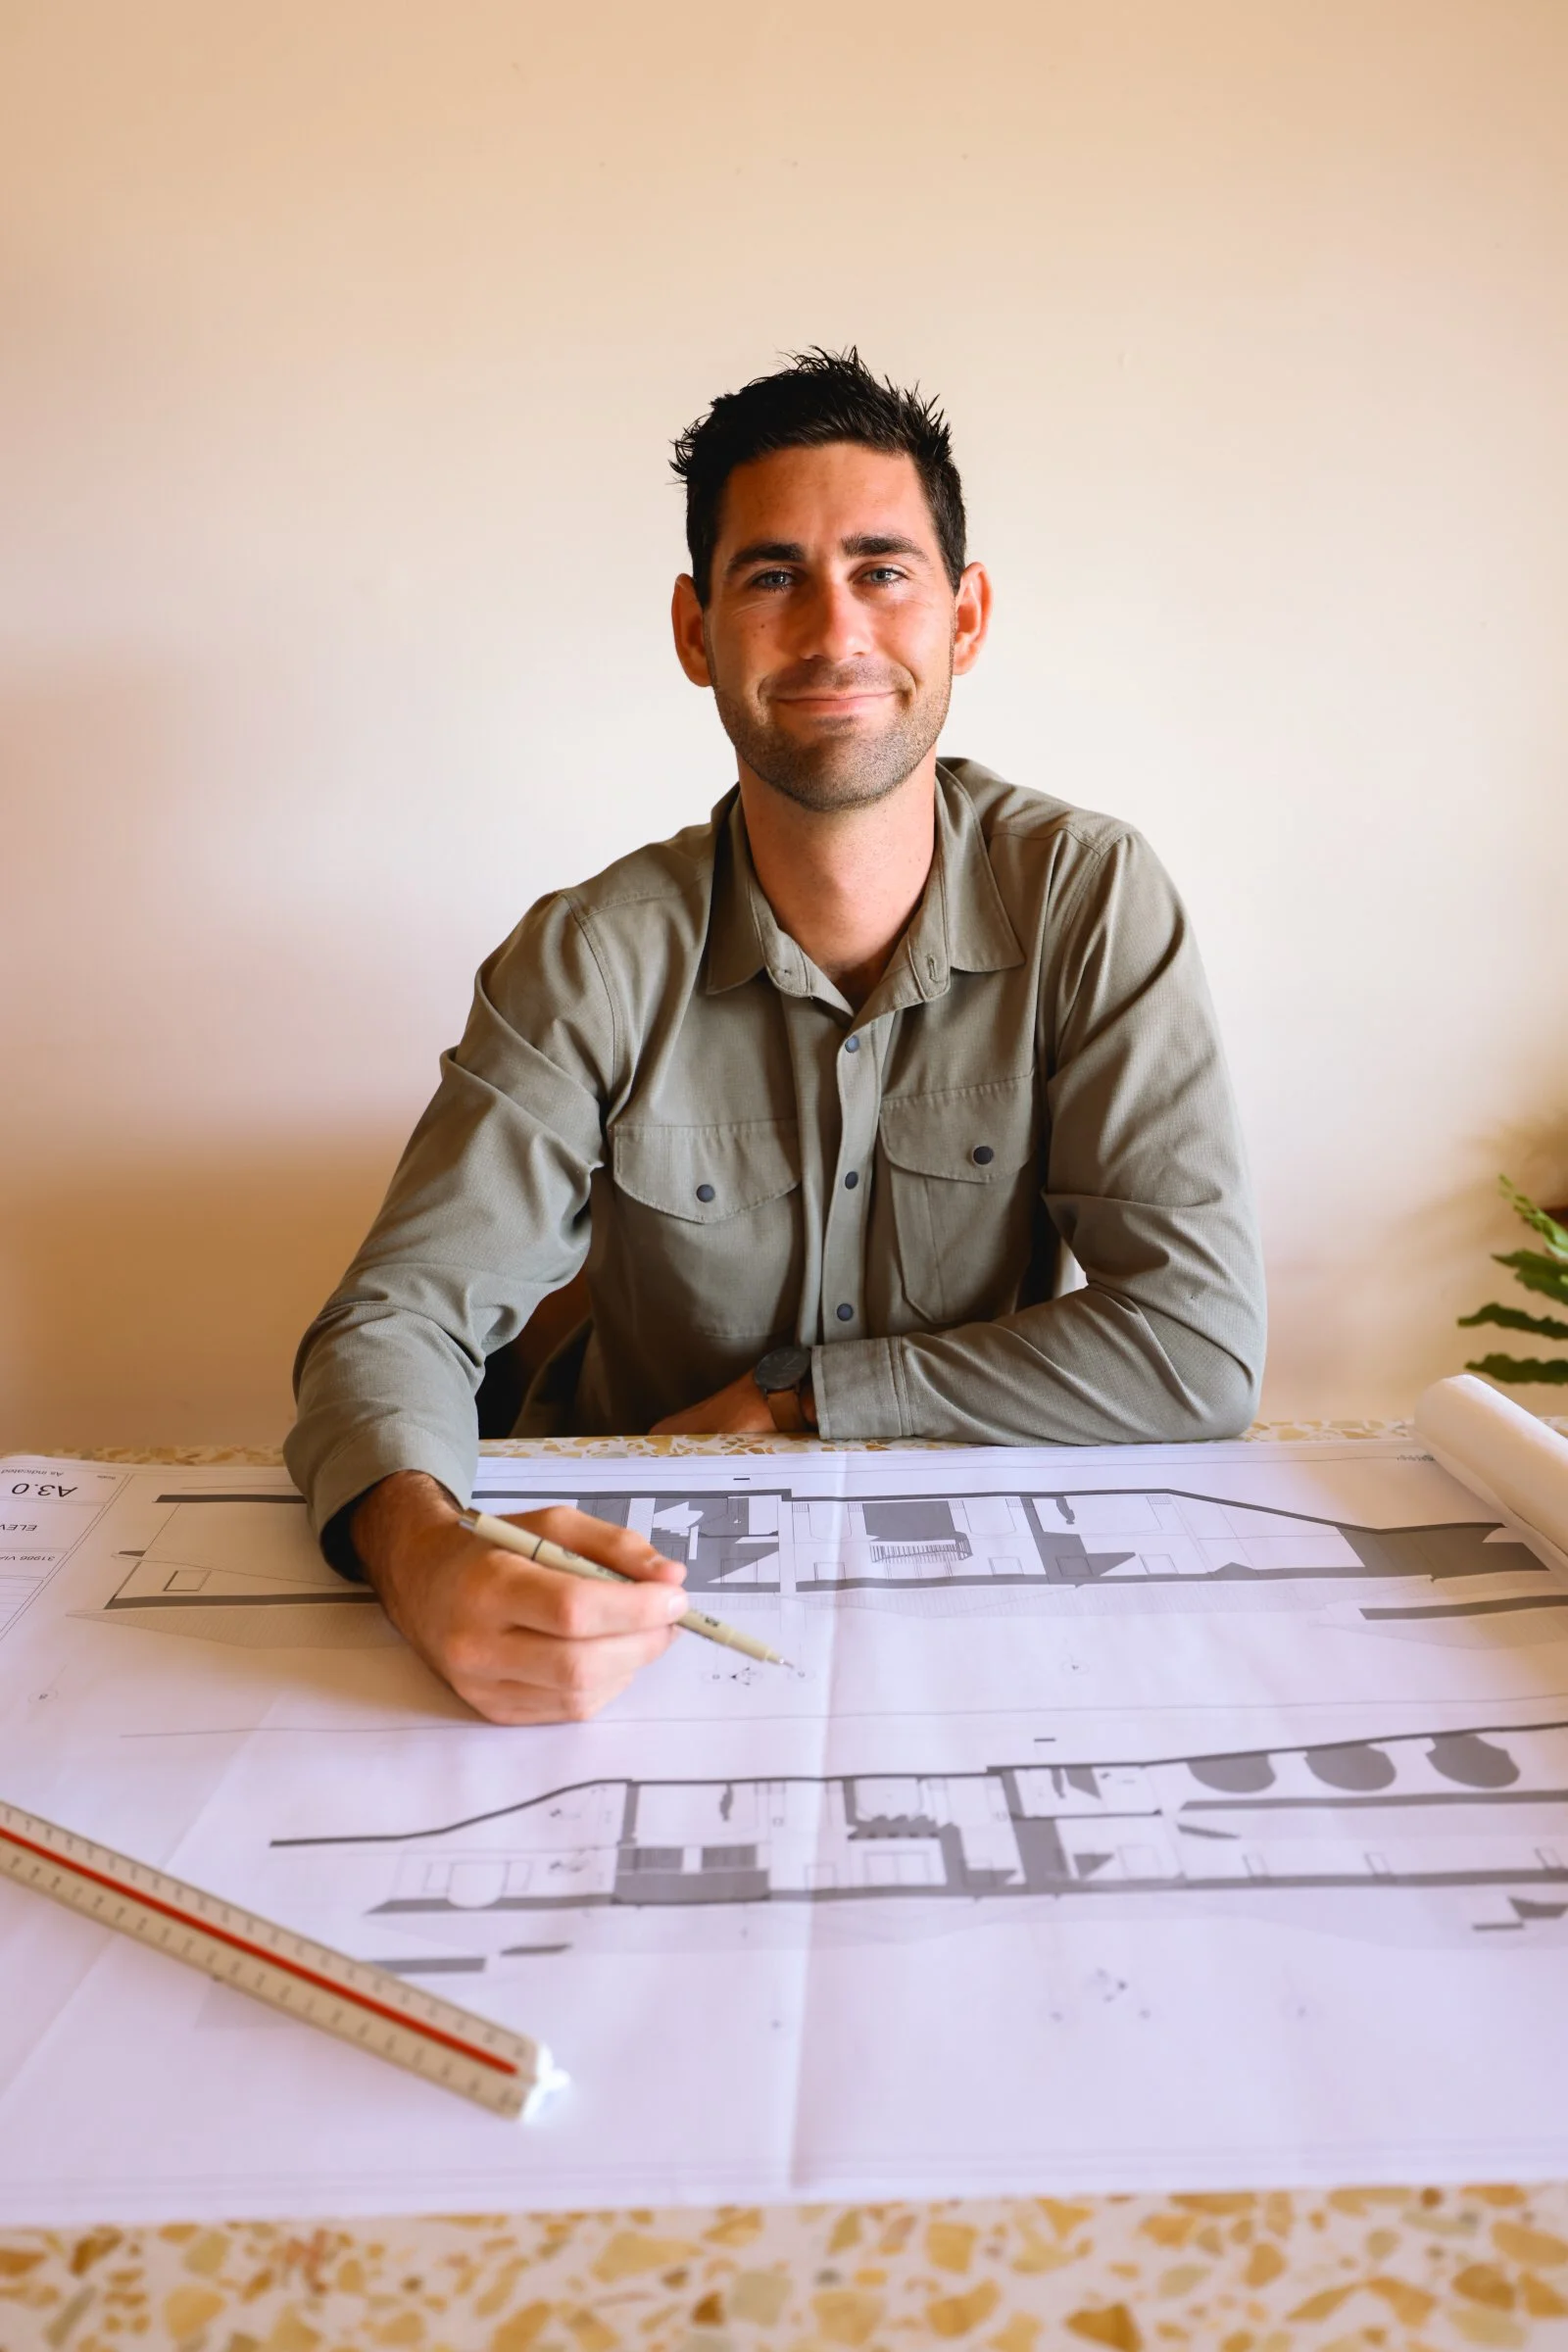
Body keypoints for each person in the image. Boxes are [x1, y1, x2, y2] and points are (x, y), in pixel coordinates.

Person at [285, 348, 1266, 1726]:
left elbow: (1196, 1344)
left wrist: (797, 1396)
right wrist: (419, 1553)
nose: (832, 630)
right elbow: (396, 1318)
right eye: (770, 577)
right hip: (636, 1592)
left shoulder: (1092, 898)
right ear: (696, 631)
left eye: (882, 569)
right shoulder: (590, 951)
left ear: (965, 618)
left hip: (975, 1605)